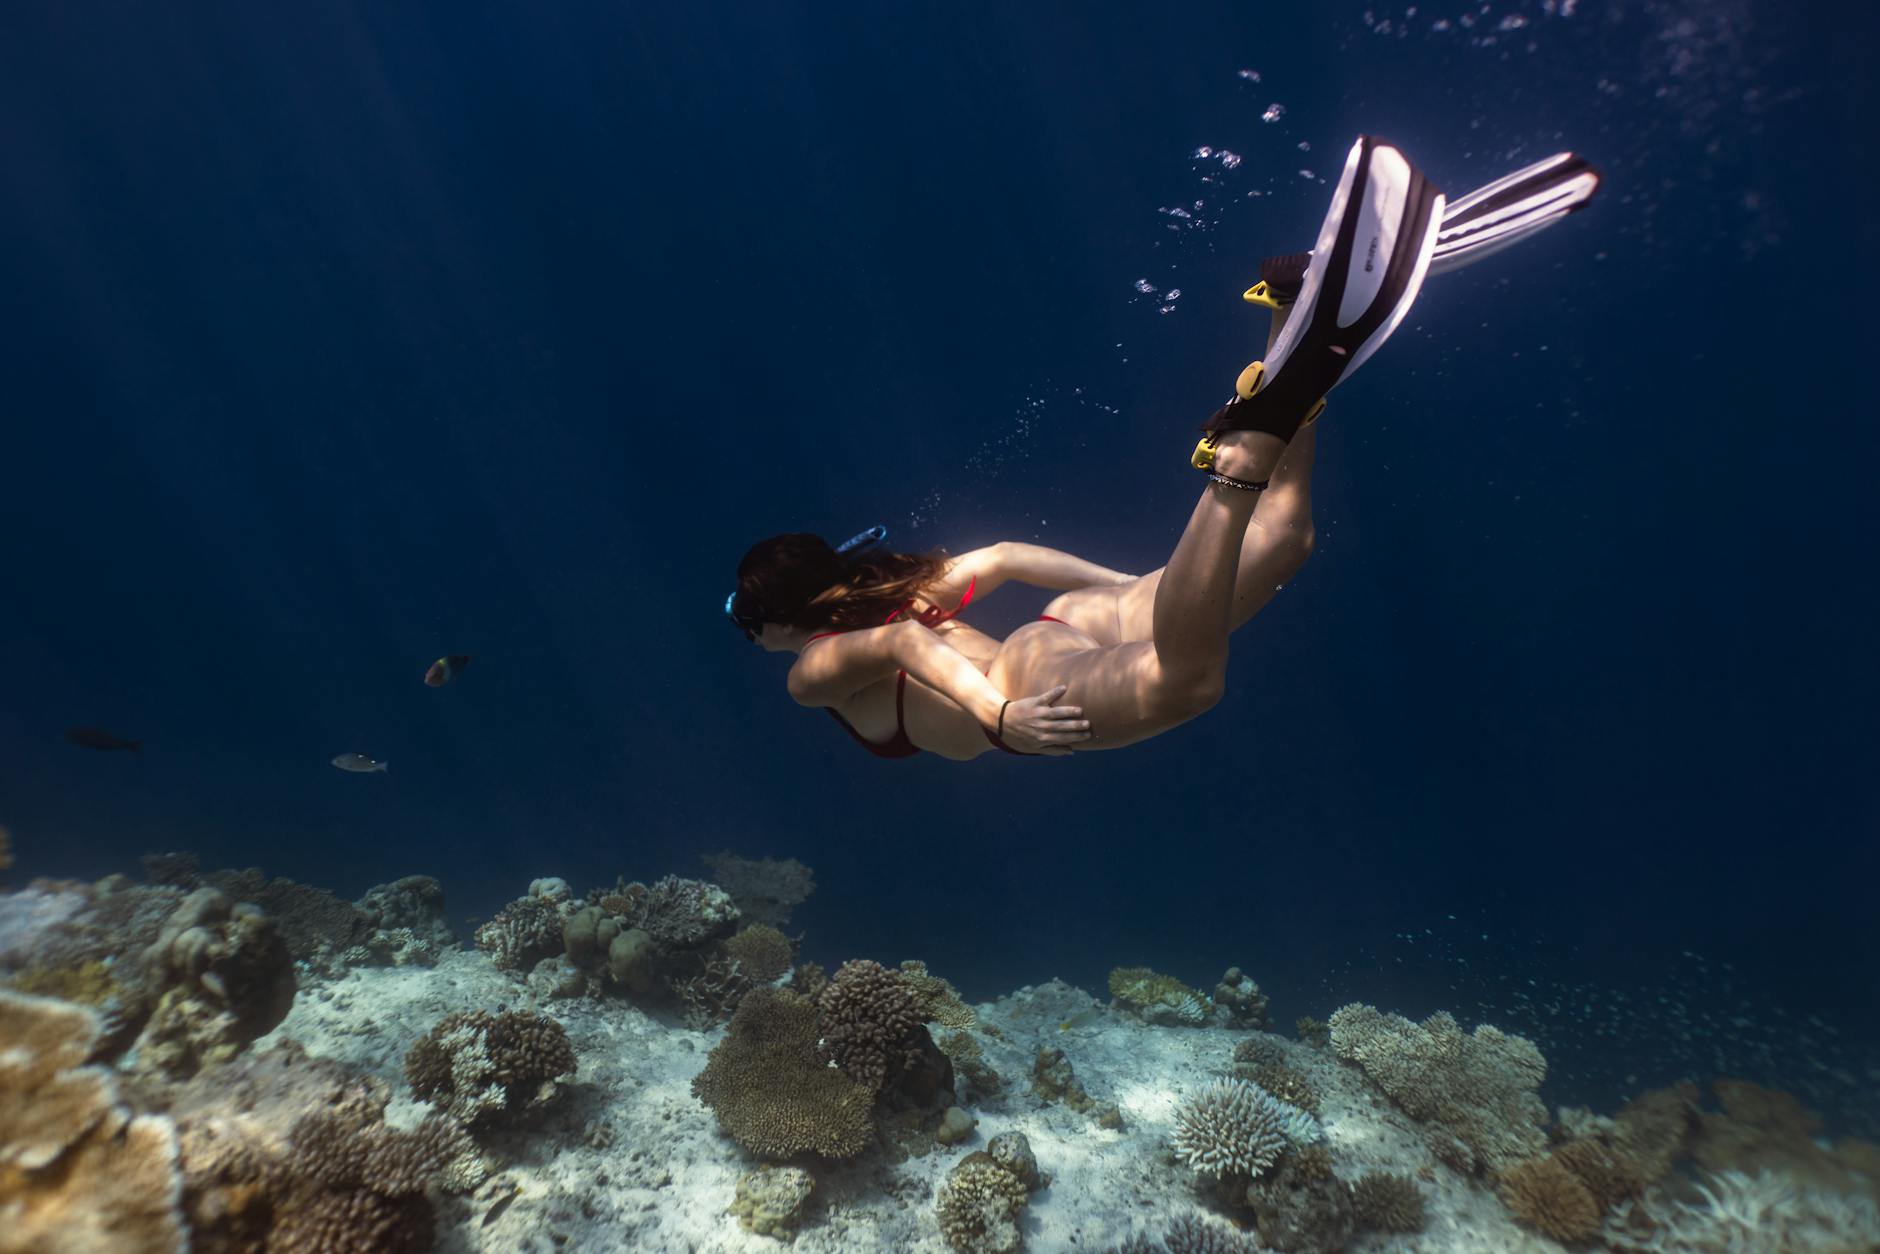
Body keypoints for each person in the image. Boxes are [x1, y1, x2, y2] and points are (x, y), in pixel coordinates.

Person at [728, 139, 1599, 761]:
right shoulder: (908, 586)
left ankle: (1245, 452)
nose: (750, 636)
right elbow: (1008, 554)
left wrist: (998, 719)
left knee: (1188, 684)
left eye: (745, 621)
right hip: (1059, 629)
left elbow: (903, 653)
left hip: (1032, 684)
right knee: (1283, 544)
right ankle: (1286, 316)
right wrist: (1128, 590)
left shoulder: (809, 670)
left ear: (777, 616)